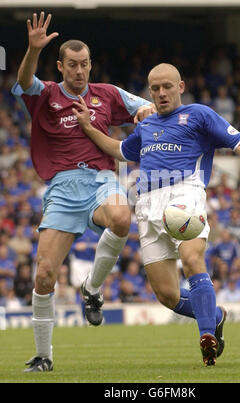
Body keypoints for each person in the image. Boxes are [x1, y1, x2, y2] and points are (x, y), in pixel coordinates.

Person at [73, 63, 240, 366]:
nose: (161, 93)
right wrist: (87, 127)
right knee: (167, 295)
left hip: (184, 194)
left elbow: (237, 140)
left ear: (180, 86)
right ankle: (215, 316)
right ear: (149, 91)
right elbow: (121, 150)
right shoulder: (146, 126)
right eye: (155, 88)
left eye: (167, 87)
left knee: (192, 260)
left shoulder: (199, 115)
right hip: (147, 204)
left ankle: (206, 338)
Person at [11, 12, 154, 373]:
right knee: (44, 275)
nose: (79, 71)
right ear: (60, 66)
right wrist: (32, 50)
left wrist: (145, 112)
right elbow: (24, 80)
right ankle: (44, 356)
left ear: (91, 66)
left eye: (85, 65)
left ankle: (92, 287)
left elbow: (145, 105)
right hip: (61, 188)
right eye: (72, 65)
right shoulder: (46, 94)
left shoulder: (107, 95)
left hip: (100, 179)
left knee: (123, 217)